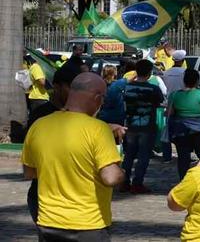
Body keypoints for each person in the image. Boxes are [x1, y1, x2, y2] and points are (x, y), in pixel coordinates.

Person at [23, 72, 125, 241]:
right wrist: (122, 173)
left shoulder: (39, 126)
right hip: (88, 224)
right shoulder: (99, 129)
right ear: (97, 98)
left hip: (49, 221)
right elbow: (111, 177)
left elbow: (30, 173)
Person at [26, 66, 80, 224]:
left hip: (76, 197)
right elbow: (31, 166)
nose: (76, 94)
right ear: (57, 87)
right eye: (72, 88)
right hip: (45, 196)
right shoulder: (40, 115)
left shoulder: (82, 115)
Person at [121, 59, 164, 194]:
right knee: (143, 156)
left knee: (128, 155)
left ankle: (124, 181)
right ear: (150, 73)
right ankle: (137, 183)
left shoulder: (127, 87)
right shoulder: (153, 89)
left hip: (130, 124)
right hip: (147, 125)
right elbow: (159, 102)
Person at [168, 69, 200, 180]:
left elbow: (170, 113)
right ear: (197, 80)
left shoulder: (174, 95)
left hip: (180, 131)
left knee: (183, 158)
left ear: (184, 81)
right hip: (199, 131)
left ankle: (183, 180)